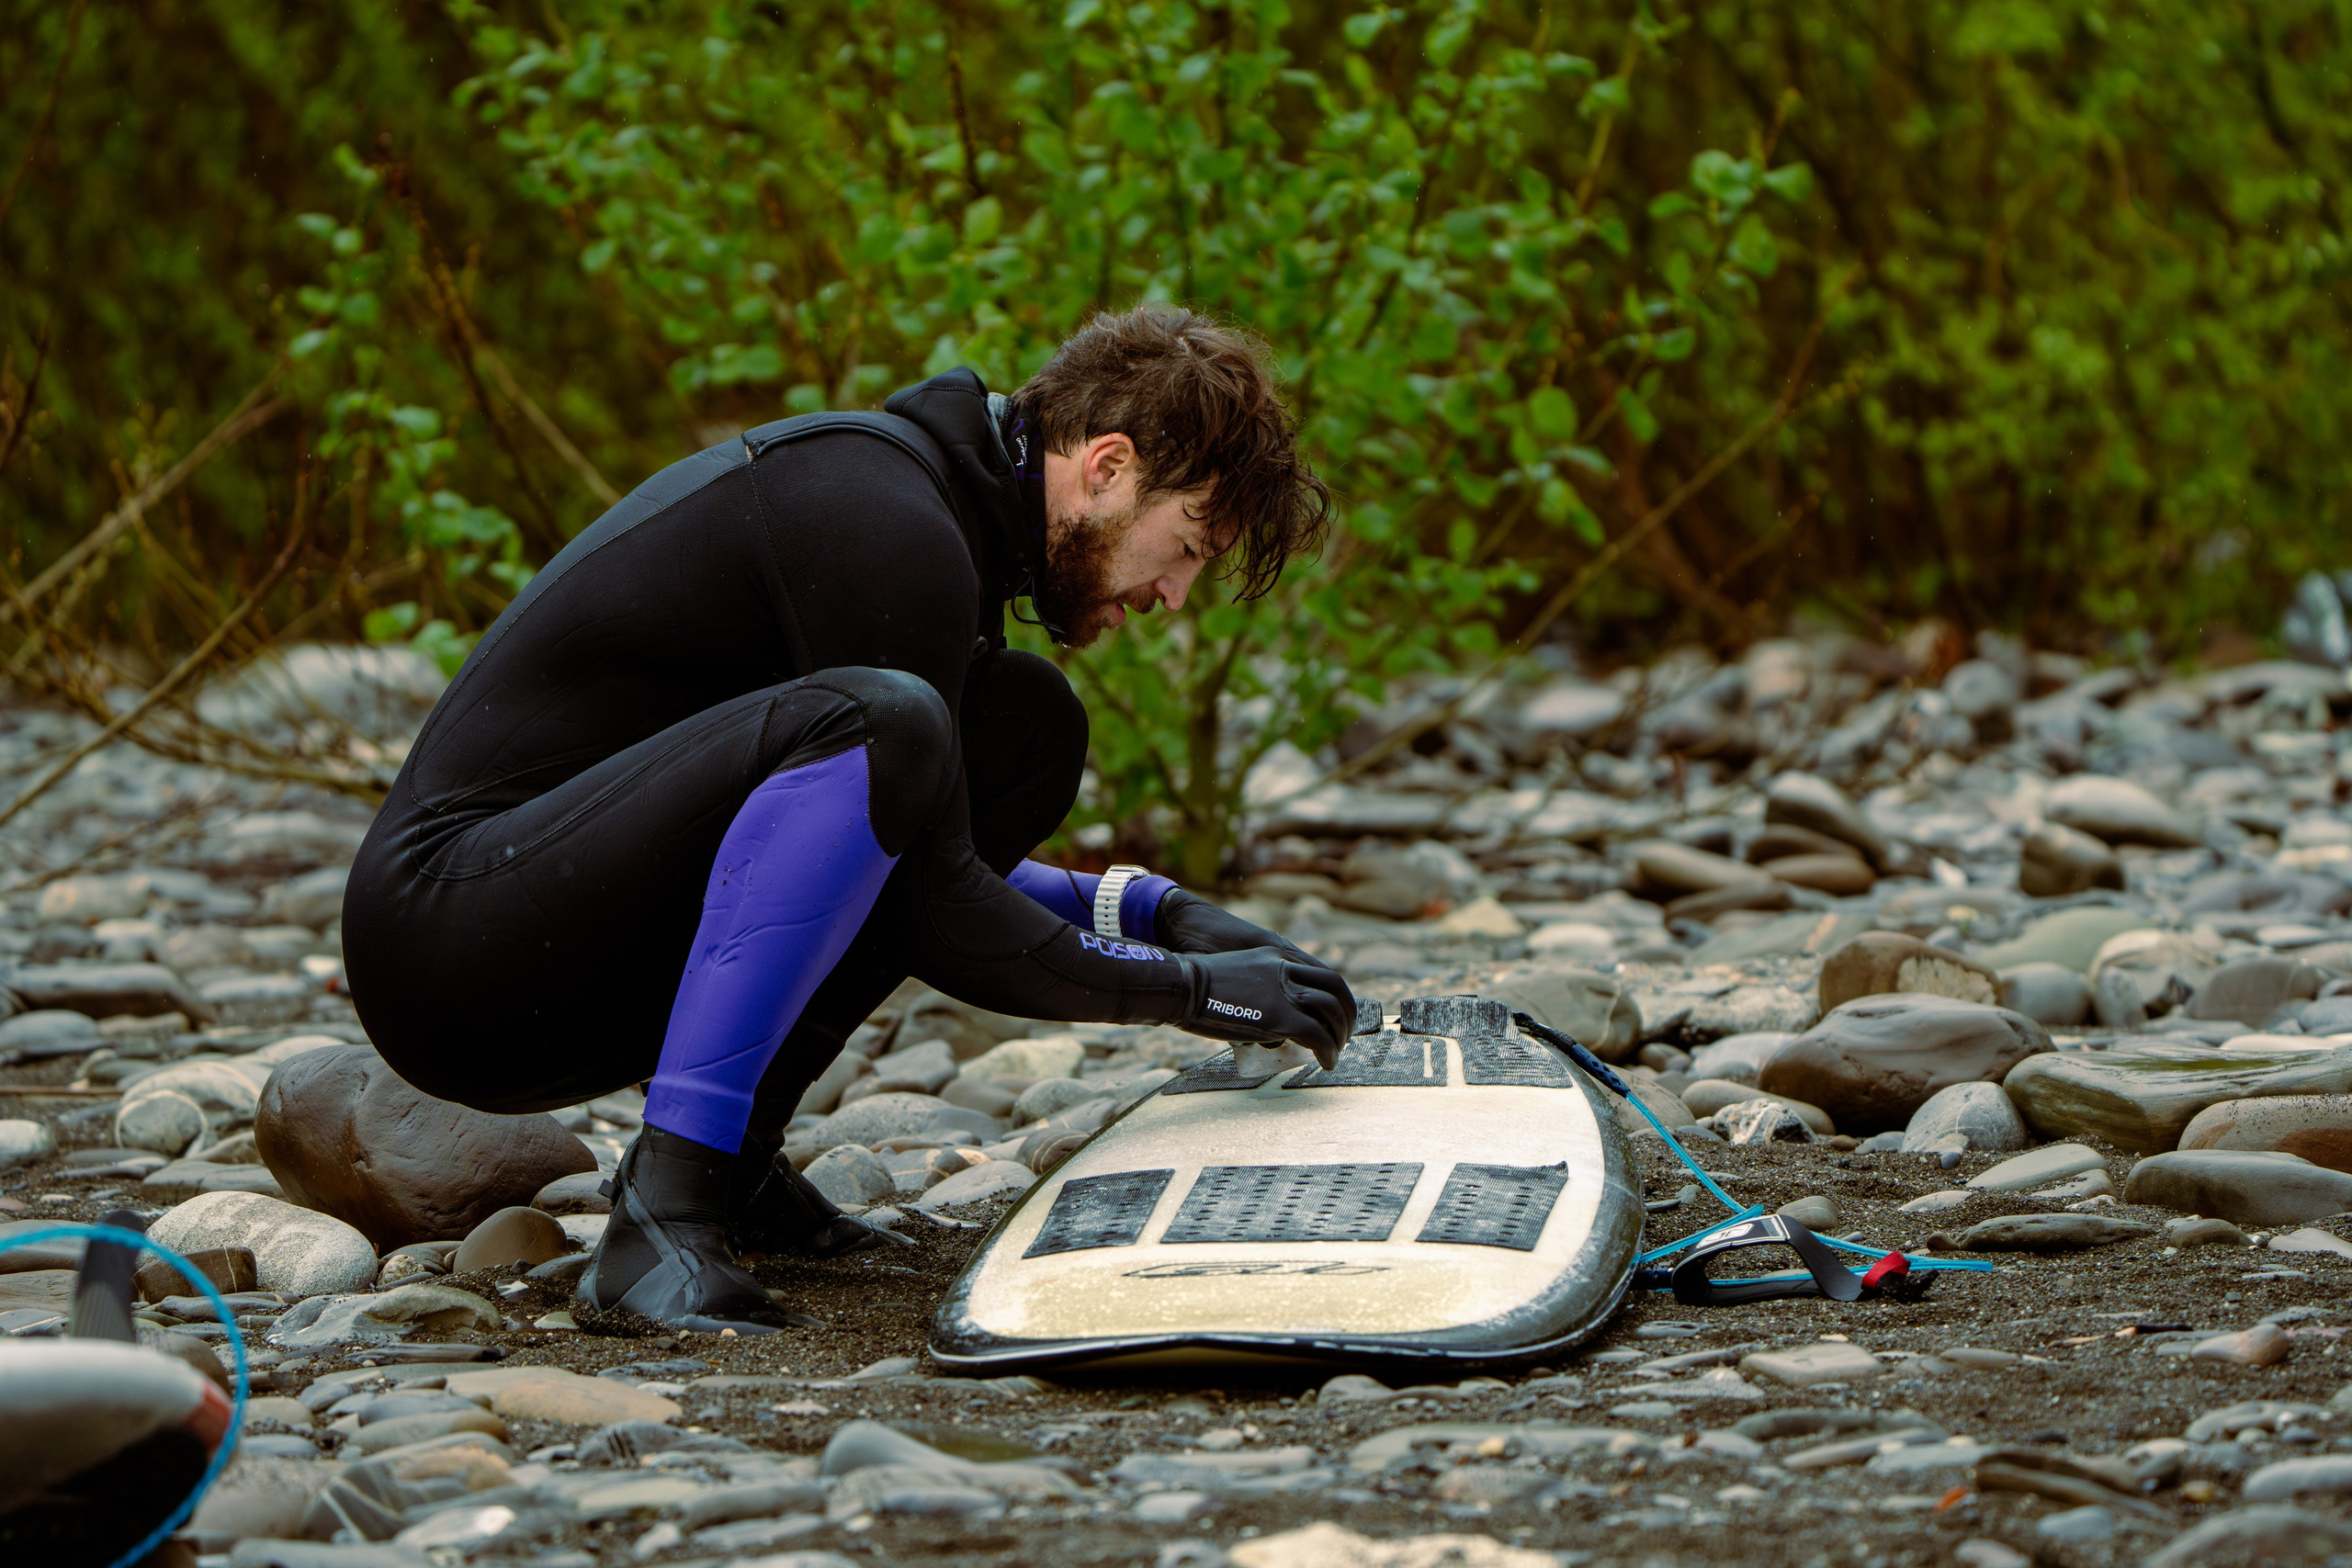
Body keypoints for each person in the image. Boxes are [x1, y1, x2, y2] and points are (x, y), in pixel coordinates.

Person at [343, 306, 1359, 1333]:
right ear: (1105, 466)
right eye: (1184, 545)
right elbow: (938, 903)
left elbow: (885, 850)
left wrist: (1145, 910)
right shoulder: (881, 511)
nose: (1175, 595)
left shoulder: (934, 529)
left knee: (1021, 727)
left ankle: (730, 1170)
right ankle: (663, 1214)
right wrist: (1190, 992)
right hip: (453, 944)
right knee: (895, 728)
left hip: (552, 933)